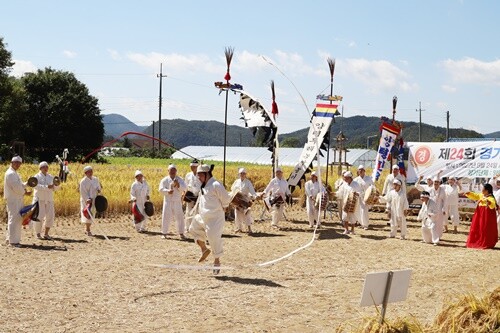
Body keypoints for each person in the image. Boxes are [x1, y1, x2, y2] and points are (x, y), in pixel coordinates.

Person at [189, 164, 231, 274]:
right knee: (193, 228)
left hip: (215, 218)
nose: (198, 177)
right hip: (203, 216)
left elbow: (226, 198)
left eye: (200, 175)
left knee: (213, 238)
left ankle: (217, 261)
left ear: (206, 174)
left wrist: (225, 207)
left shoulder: (216, 185)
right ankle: (204, 249)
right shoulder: (204, 186)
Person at [4, 156, 32, 247]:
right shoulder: (10, 174)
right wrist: (25, 192)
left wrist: (27, 183)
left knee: (14, 219)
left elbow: (19, 185)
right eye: (16, 162)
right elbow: (16, 188)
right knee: (14, 219)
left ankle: (10, 239)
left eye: (19, 163)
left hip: (16, 199)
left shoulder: (14, 173)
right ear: (12, 162)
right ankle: (13, 242)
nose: (18, 164)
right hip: (13, 200)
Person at [463, 183, 498, 249]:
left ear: (487, 191)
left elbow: (492, 205)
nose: (482, 190)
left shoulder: (491, 198)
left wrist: (486, 201)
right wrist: (469, 193)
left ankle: (486, 242)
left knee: (484, 228)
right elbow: (476, 196)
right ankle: (476, 240)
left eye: (483, 189)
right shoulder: (482, 195)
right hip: (479, 214)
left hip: (486, 216)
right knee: (477, 227)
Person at [32, 161, 60, 240]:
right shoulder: (36, 176)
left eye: (47, 167)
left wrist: (57, 185)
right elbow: (36, 186)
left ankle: (46, 233)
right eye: (44, 167)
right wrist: (47, 187)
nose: (46, 168)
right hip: (39, 199)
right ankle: (38, 233)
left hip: (49, 199)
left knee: (50, 216)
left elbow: (55, 188)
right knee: (39, 216)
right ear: (40, 168)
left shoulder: (51, 177)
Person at [159, 164, 187, 239]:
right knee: (166, 216)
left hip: (177, 201)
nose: (173, 172)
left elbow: (184, 188)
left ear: (176, 171)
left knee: (180, 217)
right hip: (168, 201)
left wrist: (178, 185)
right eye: (171, 170)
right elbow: (161, 189)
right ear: (168, 171)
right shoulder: (164, 180)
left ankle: (181, 233)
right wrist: (167, 191)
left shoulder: (180, 179)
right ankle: (164, 233)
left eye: (174, 170)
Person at [230, 168, 257, 233]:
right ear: (239, 174)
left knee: (247, 214)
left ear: (245, 174)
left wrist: (255, 196)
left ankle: (249, 228)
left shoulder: (248, 182)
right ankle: (239, 228)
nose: (242, 175)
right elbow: (232, 189)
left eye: (243, 173)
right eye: (241, 173)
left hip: (245, 200)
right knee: (237, 213)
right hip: (237, 200)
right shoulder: (236, 181)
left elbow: (252, 191)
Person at [79, 166, 102, 236]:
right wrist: (87, 199)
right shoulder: (83, 181)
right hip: (86, 201)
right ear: (86, 173)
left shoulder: (95, 179)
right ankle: (87, 229)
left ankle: (88, 228)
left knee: (92, 214)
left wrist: (99, 189)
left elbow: (99, 186)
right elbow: (83, 192)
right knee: (87, 214)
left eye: (91, 171)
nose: (91, 173)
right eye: (89, 171)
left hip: (94, 199)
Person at [354, 165, 375, 230]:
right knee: (358, 211)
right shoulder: (356, 180)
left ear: (364, 171)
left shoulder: (369, 179)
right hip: (359, 197)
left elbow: (372, 187)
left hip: (366, 197)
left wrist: (372, 195)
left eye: (362, 170)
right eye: (359, 170)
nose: (360, 171)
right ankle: (361, 223)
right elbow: (354, 188)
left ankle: (365, 225)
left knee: (364, 210)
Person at [184, 159, 202, 232]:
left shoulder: (200, 175)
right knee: (188, 212)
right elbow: (185, 185)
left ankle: (196, 228)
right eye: (191, 166)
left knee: (198, 212)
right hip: (190, 195)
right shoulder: (188, 175)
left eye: (194, 166)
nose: (192, 168)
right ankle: (188, 227)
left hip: (198, 196)